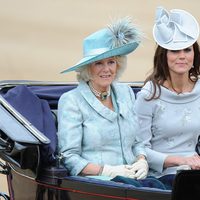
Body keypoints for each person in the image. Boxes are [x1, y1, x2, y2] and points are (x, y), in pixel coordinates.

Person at [57, 17, 149, 181]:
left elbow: (137, 142)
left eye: (111, 62)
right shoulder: (72, 101)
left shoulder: (126, 92)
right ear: (87, 68)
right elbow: (69, 157)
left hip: (135, 180)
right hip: (99, 185)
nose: (106, 69)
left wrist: (142, 160)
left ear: (118, 65)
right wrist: (106, 171)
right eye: (98, 63)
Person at [134, 7, 200, 189]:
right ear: (164, 56)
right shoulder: (149, 95)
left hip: (196, 170)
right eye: (174, 51)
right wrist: (179, 160)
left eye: (187, 50)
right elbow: (140, 148)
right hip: (163, 176)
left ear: (194, 55)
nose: (182, 56)